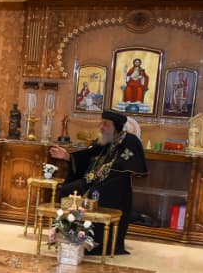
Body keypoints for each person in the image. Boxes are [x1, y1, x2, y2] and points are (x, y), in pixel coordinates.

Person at [49, 109, 147, 254]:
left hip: (114, 189)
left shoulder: (130, 141)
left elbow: (129, 163)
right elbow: (88, 155)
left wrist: (108, 168)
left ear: (116, 127)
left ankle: (94, 242)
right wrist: (67, 156)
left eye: (106, 124)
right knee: (67, 190)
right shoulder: (106, 140)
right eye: (101, 123)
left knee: (93, 194)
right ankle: (67, 235)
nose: (101, 127)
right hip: (93, 182)